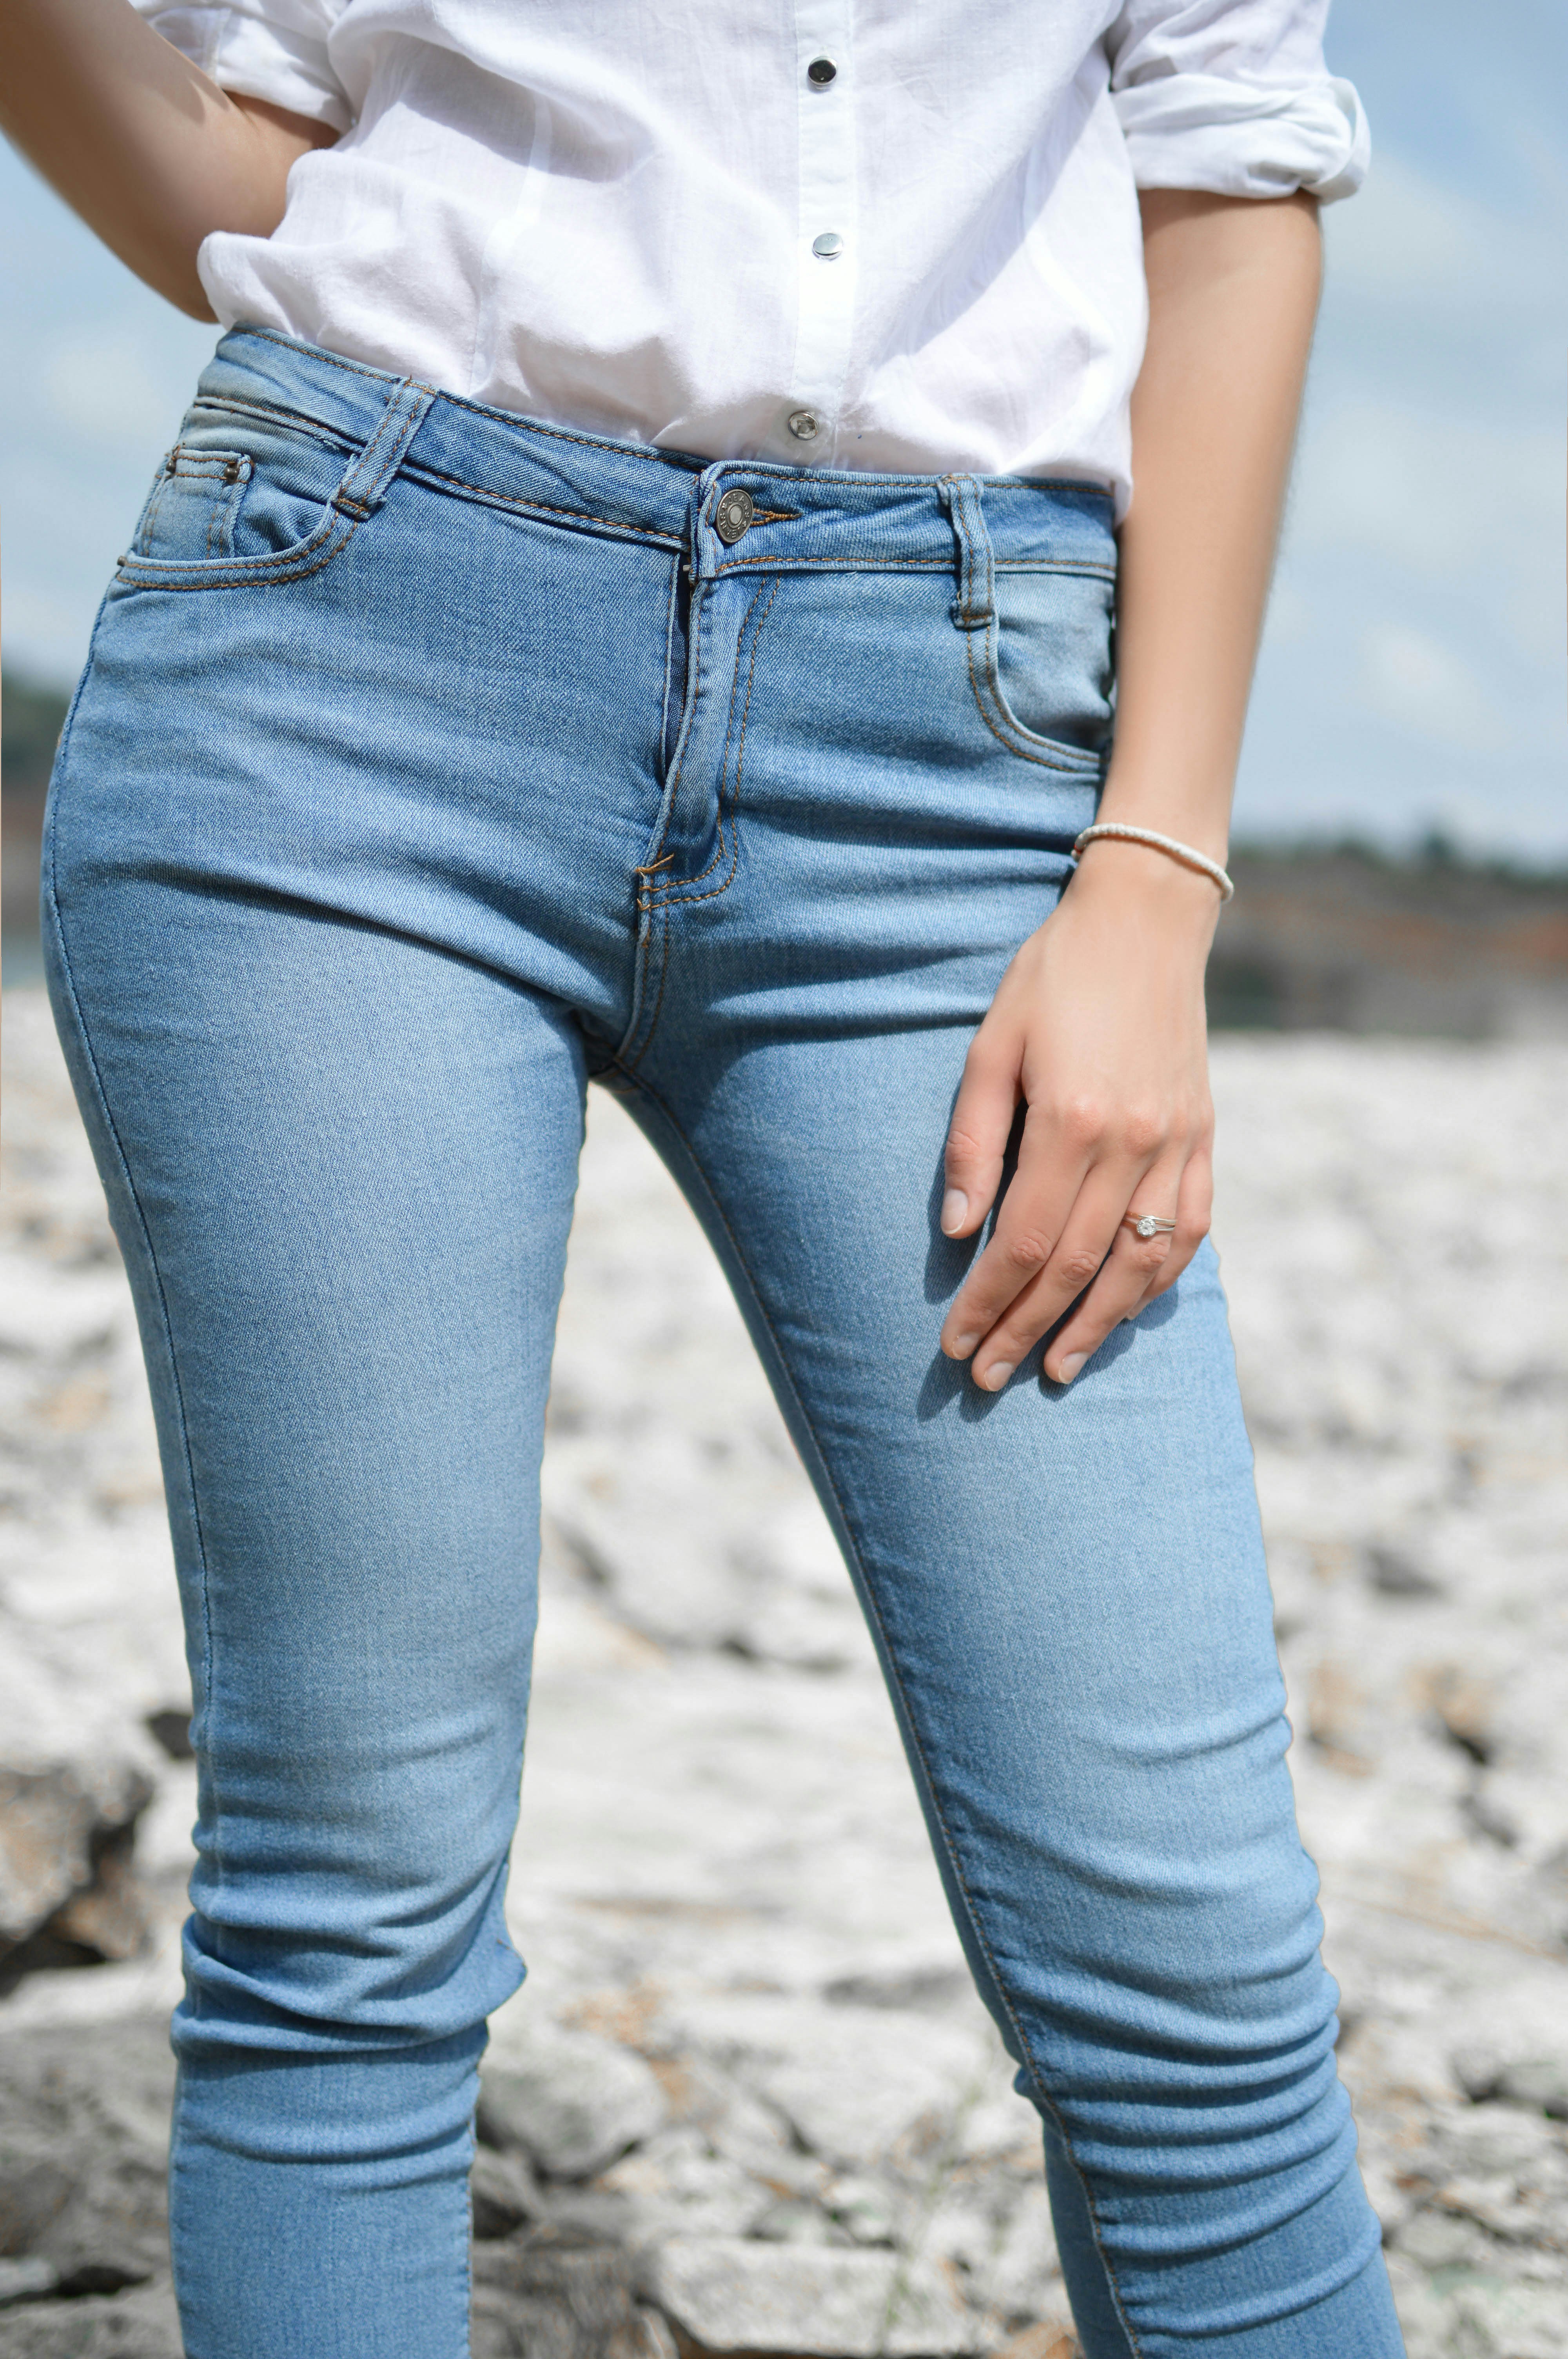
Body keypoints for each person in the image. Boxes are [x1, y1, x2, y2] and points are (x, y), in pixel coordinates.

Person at [2, 1, 1407, 2351]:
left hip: (951, 765)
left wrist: (1153, 875)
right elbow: (236, 156)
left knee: (1192, 1967)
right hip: (349, 673)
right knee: (348, 1920)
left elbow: (1226, 174)